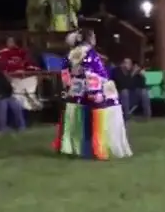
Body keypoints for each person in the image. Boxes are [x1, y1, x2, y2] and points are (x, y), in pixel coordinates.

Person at [52, 29, 132, 159]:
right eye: (93, 36)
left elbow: (64, 74)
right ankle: (97, 148)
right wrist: (95, 93)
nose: (95, 39)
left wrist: (70, 87)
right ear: (89, 38)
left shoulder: (71, 54)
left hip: (76, 93)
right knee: (97, 121)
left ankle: (74, 148)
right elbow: (92, 74)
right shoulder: (89, 53)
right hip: (94, 92)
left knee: (76, 121)